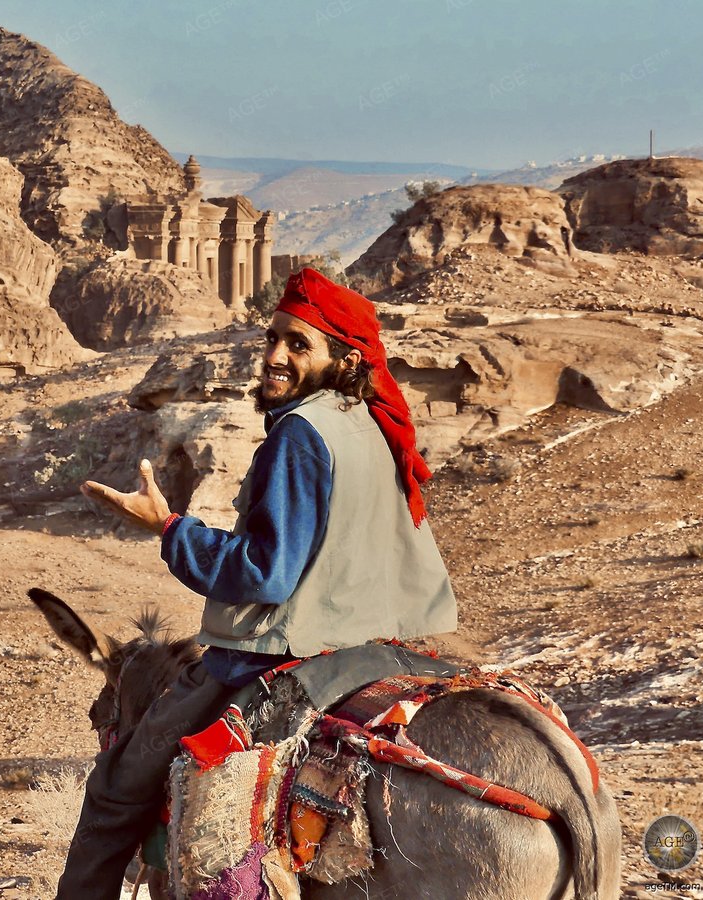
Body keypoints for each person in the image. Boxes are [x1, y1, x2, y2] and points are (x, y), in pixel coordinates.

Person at [57, 267, 457, 900]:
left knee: (113, 792)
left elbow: (266, 574)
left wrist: (168, 527)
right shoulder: (369, 424)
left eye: (299, 344)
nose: (275, 356)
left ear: (344, 359)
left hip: (288, 652)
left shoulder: (300, 434)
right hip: (382, 646)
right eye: (274, 338)